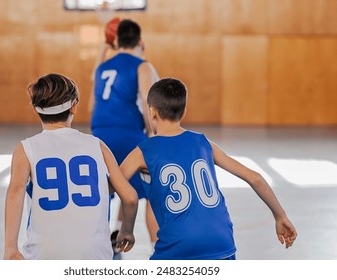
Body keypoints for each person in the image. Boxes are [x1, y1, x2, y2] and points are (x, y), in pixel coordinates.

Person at [120, 78, 298, 260]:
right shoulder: (204, 143)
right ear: (184, 112)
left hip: (179, 246)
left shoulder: (144, 150)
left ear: (152, 112)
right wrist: (280, 216)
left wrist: (126, 229)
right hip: (222, 242)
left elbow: (114, 187)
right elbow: (255, 178)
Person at [4, 73, 138, 260]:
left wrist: (10, 247)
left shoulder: (25, 149)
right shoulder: (97, 145)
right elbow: (130, 197)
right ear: (74, 107)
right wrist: (126, 231)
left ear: (35, 110)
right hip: (94, 254)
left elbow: (15, 192)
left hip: (44, 254)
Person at [89, 18, 160, 254]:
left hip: (99, 133)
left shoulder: (101, 68)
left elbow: (92, 105)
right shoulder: (142, 66)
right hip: (128, 133)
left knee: (110, 187)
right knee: (151, 191)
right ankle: (157, 250)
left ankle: (111, 240)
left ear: (117, 41)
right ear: (141, 41)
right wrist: (155, 137)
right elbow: (151, 106)